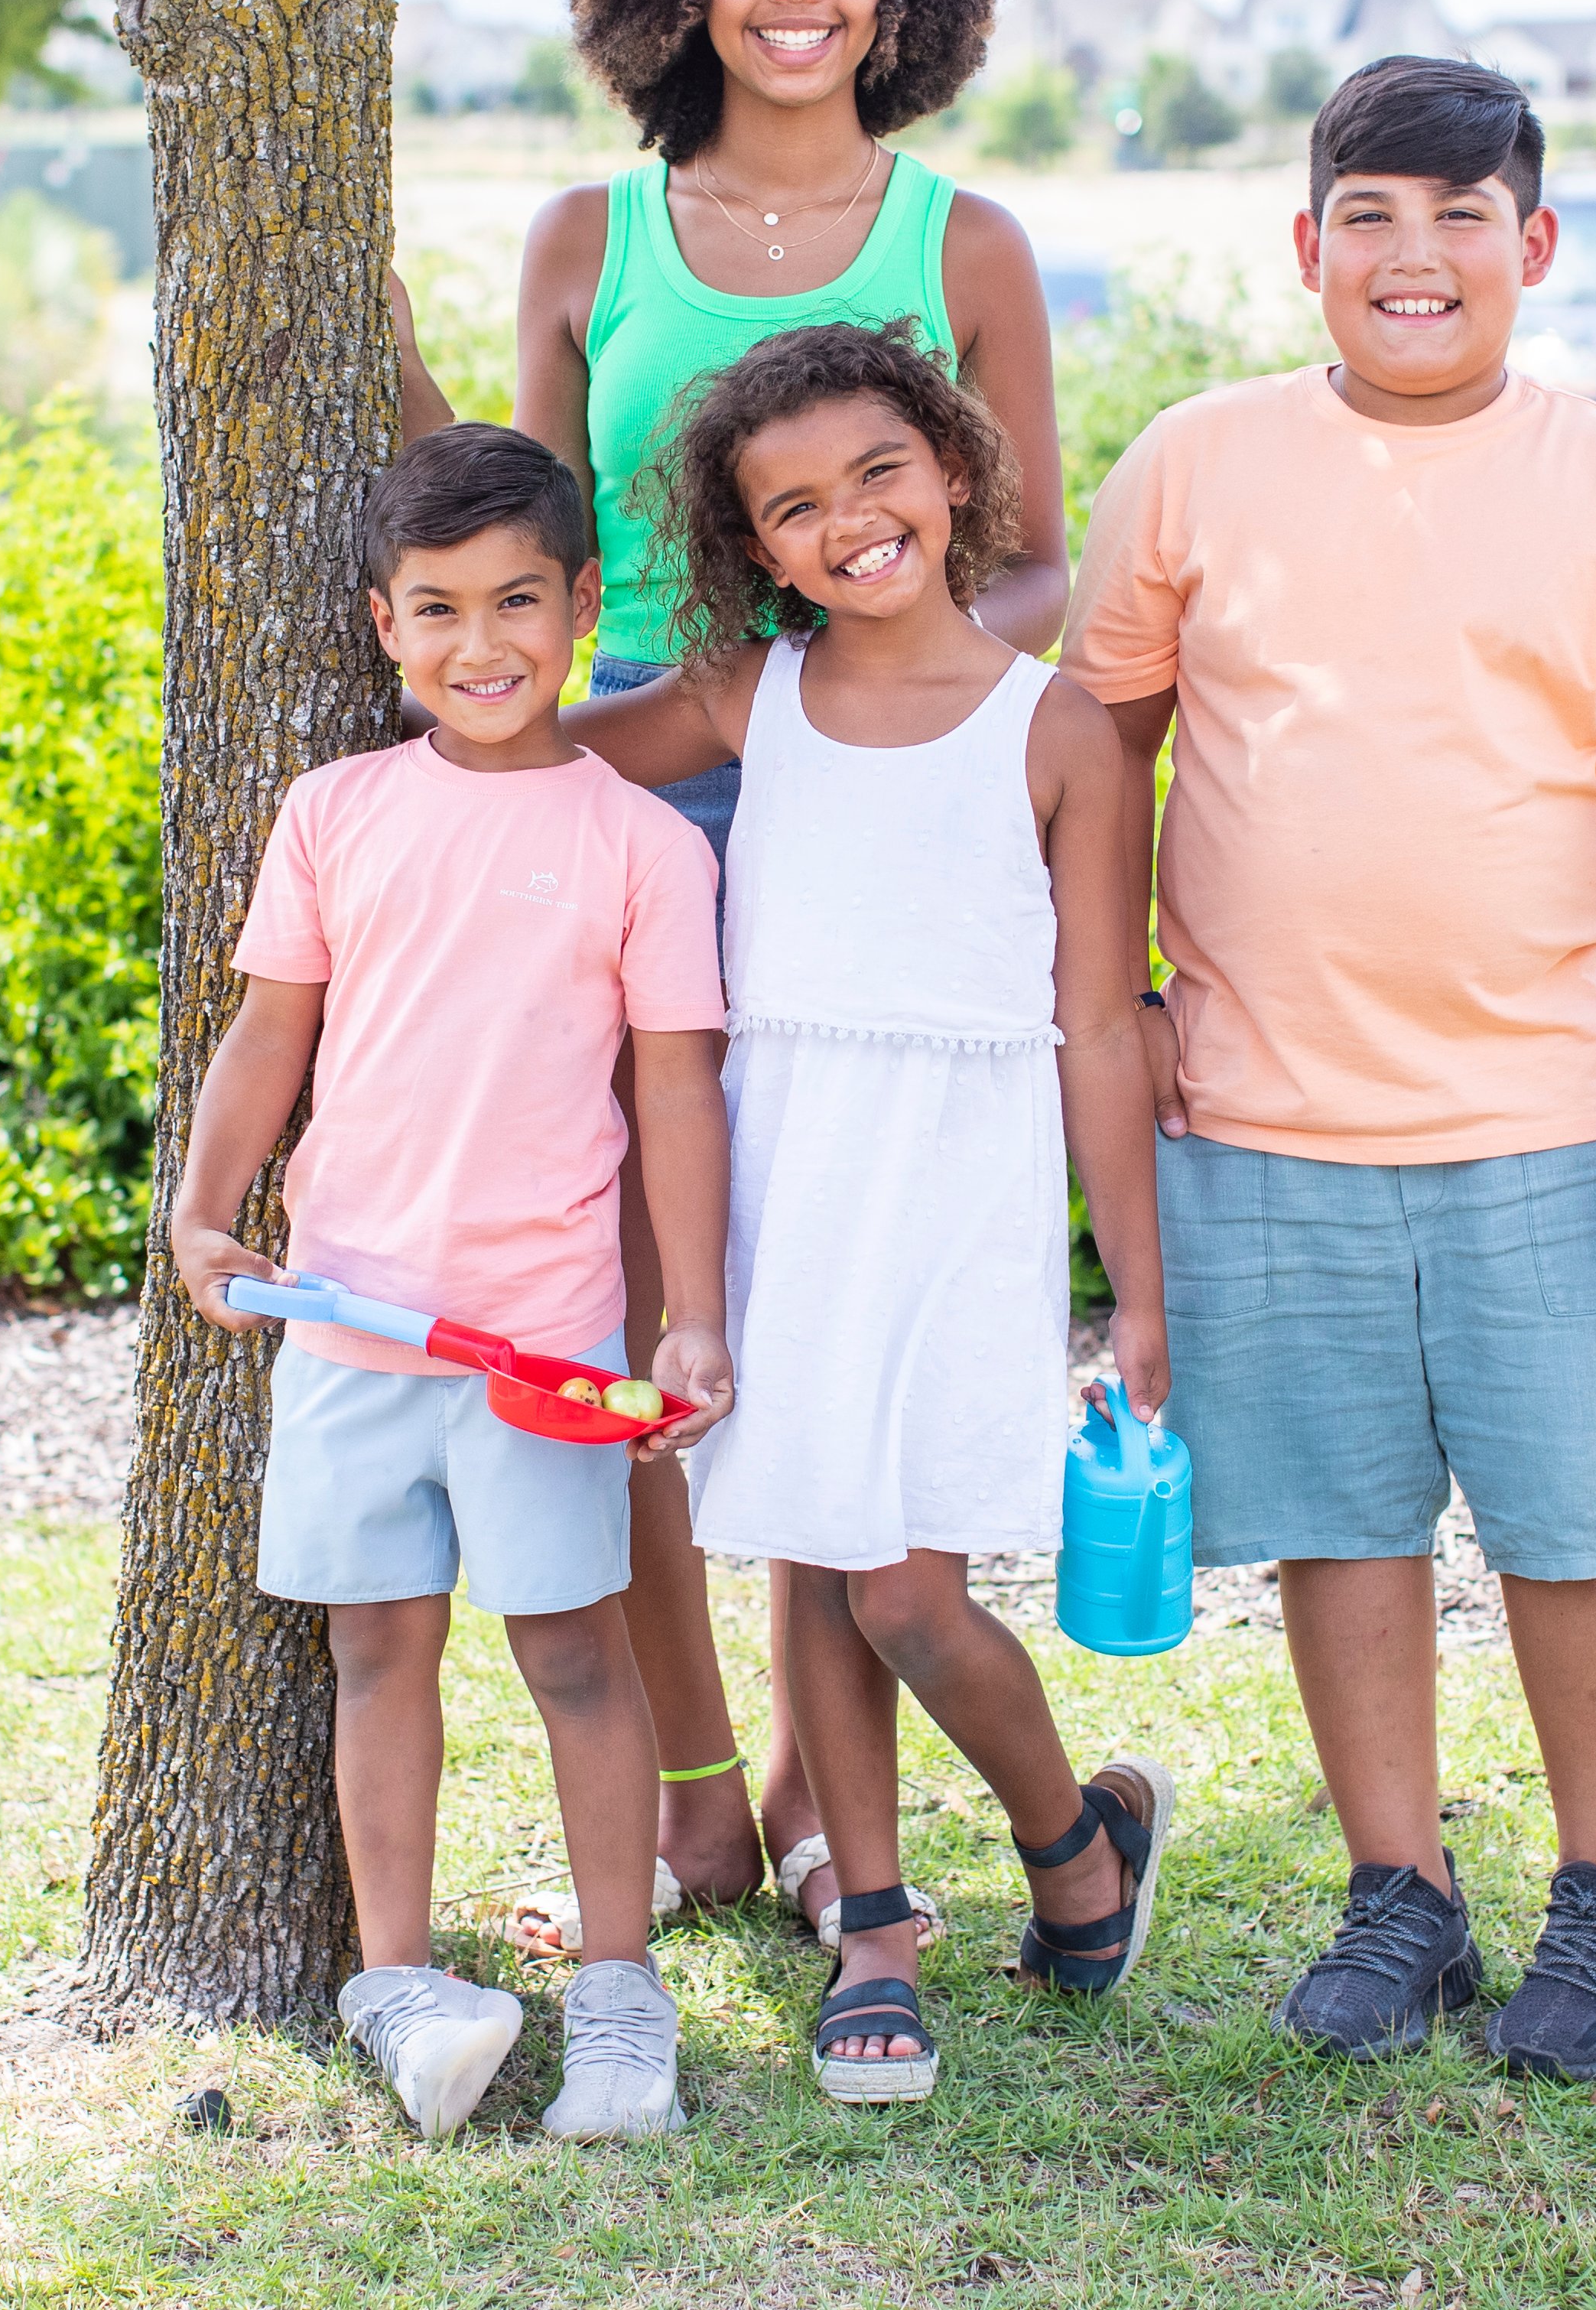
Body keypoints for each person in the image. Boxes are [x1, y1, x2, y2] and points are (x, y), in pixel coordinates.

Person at [1060, 56, 1596, 2083]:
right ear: (1307, 250)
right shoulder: (1198, 467)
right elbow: (1104, 746)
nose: (1416, 254)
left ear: (1533, 250)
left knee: (1572, 1529)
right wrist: (1108, 993)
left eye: (1464, 216)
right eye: (1372, 214)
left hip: (1547, 1114)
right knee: (1344, 1524)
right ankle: (1403, 1893)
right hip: (1263, 1106)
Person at [395, 0, 1065, 1945]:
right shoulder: (591, 238)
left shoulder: (964, 245)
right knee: (648, 1324)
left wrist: (845, 674)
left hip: (862, 836)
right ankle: (696, 1792)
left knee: (809, 1315)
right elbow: (542, 533)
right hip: (639, 812)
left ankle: (807, 1800)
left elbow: (1034, 565)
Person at [569, 320, 1172, 2105]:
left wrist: (1133, 1287)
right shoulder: (753, 695)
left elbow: (1097, 1028)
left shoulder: (1056, 731)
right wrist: (426, 711)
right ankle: (881, 1925)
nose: (849, 523)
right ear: (754, 548)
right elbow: (555, 750)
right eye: (796, 507)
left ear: (958, 470)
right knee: (816, 1554)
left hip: (962, 1185)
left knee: (907, 1590)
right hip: (782, 1174)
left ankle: (1071, 1838)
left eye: (879, 476)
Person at [167, 425, 738, 2142]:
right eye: (437, 610)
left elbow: (673, 1091)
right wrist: (204, 1213)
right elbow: (272, 1033)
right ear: (382, 624)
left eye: (515, 603)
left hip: (538, 1341)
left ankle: (623, 1999)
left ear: (578, 607)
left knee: (575, 1652)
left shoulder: (646, 844)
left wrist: (689, 1309)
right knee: (376, 1652)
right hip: (346, 1317)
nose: (479, 646)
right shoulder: (333, 813)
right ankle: (398, 1985)